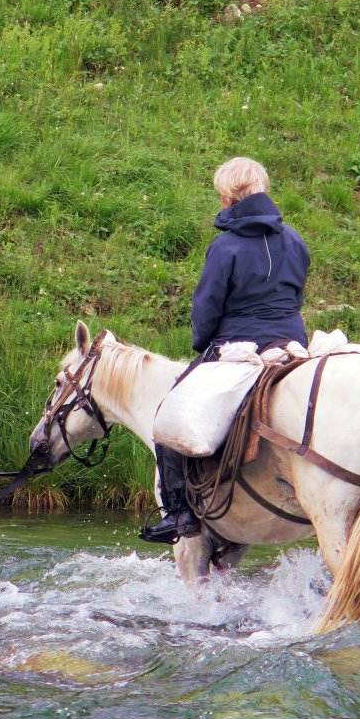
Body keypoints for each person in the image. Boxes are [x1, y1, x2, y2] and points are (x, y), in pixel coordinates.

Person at [140, 156, 311, 545]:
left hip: (239, 343)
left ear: (228, 197)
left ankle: (179, 513)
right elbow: (297, 295)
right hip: (291, 342)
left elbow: (207, 307)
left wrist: (204, 345)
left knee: (169, 415)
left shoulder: (226, 246)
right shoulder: (294, 239)